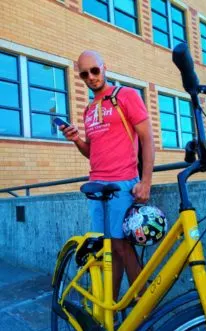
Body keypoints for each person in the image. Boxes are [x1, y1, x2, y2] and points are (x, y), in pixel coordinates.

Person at [60, 50, 155, 302]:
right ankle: (109, 310)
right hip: (96, 186)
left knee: (123, 245)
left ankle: (143, 310)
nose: (91, 77)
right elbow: (92, 152)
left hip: (123, 182)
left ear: (104, 68)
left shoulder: (125, 96)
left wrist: (145, 181)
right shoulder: (89, 110)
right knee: (107, 248)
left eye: (94, 70)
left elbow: (147, 138)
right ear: (80, 76)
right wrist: (76, 139)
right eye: (84, 73)